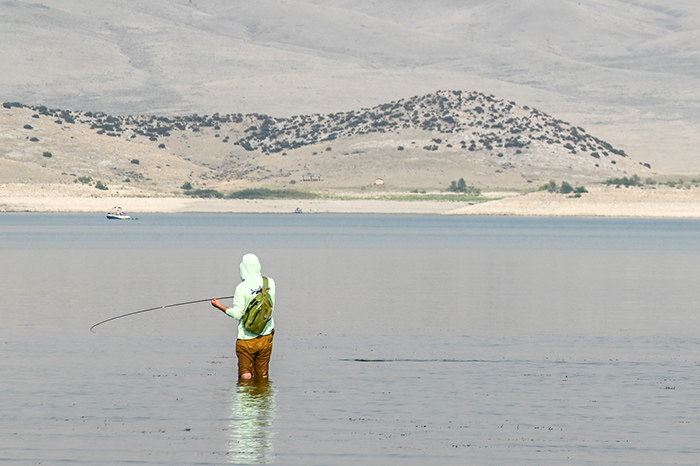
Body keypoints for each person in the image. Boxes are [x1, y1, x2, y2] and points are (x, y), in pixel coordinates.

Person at [212, 253, 276, 380]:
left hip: (246, 339)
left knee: (246, 375)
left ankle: (246, 398)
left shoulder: (241, 288)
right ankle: (262, 396)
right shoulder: (270, 282)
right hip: (266, 336)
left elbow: (237, 314)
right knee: (263, 375)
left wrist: (219, 305)